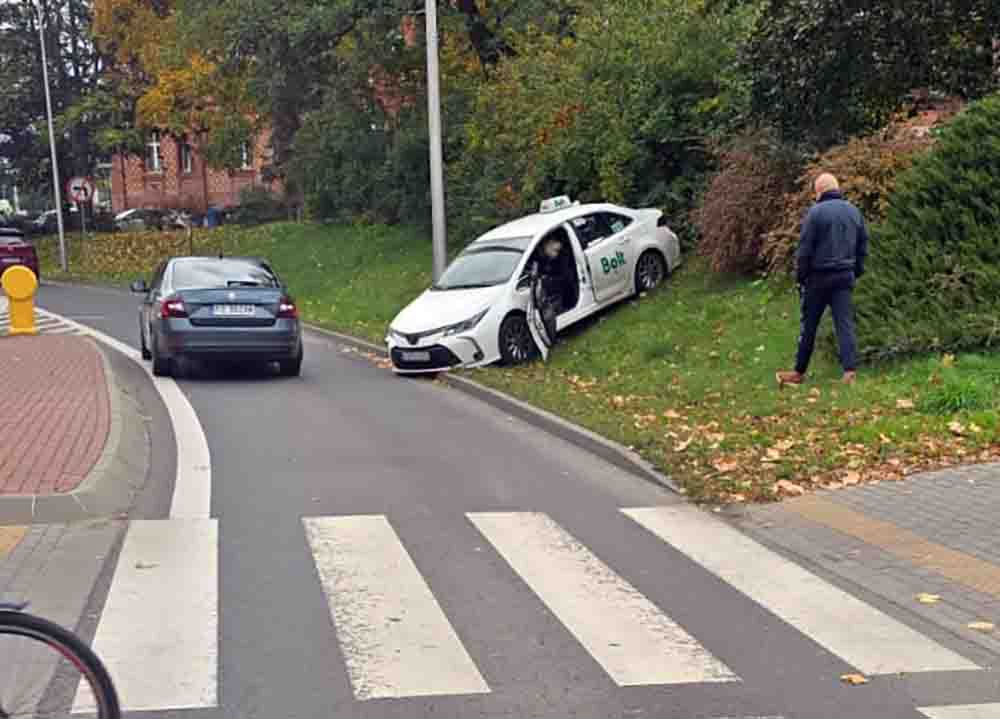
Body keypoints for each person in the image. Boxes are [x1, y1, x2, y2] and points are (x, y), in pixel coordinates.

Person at [776, 173, 869, 387]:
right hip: (844, 276)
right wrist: (856, 271)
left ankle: (798, 372)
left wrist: (801, 277)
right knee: (844, 324)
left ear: (818, 191)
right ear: (837, 188)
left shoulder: (815, 213)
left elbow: (805, 250)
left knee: (809, 325)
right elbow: (863, 245)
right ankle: (849, 371)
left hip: (818, 278)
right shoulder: (854, 211)